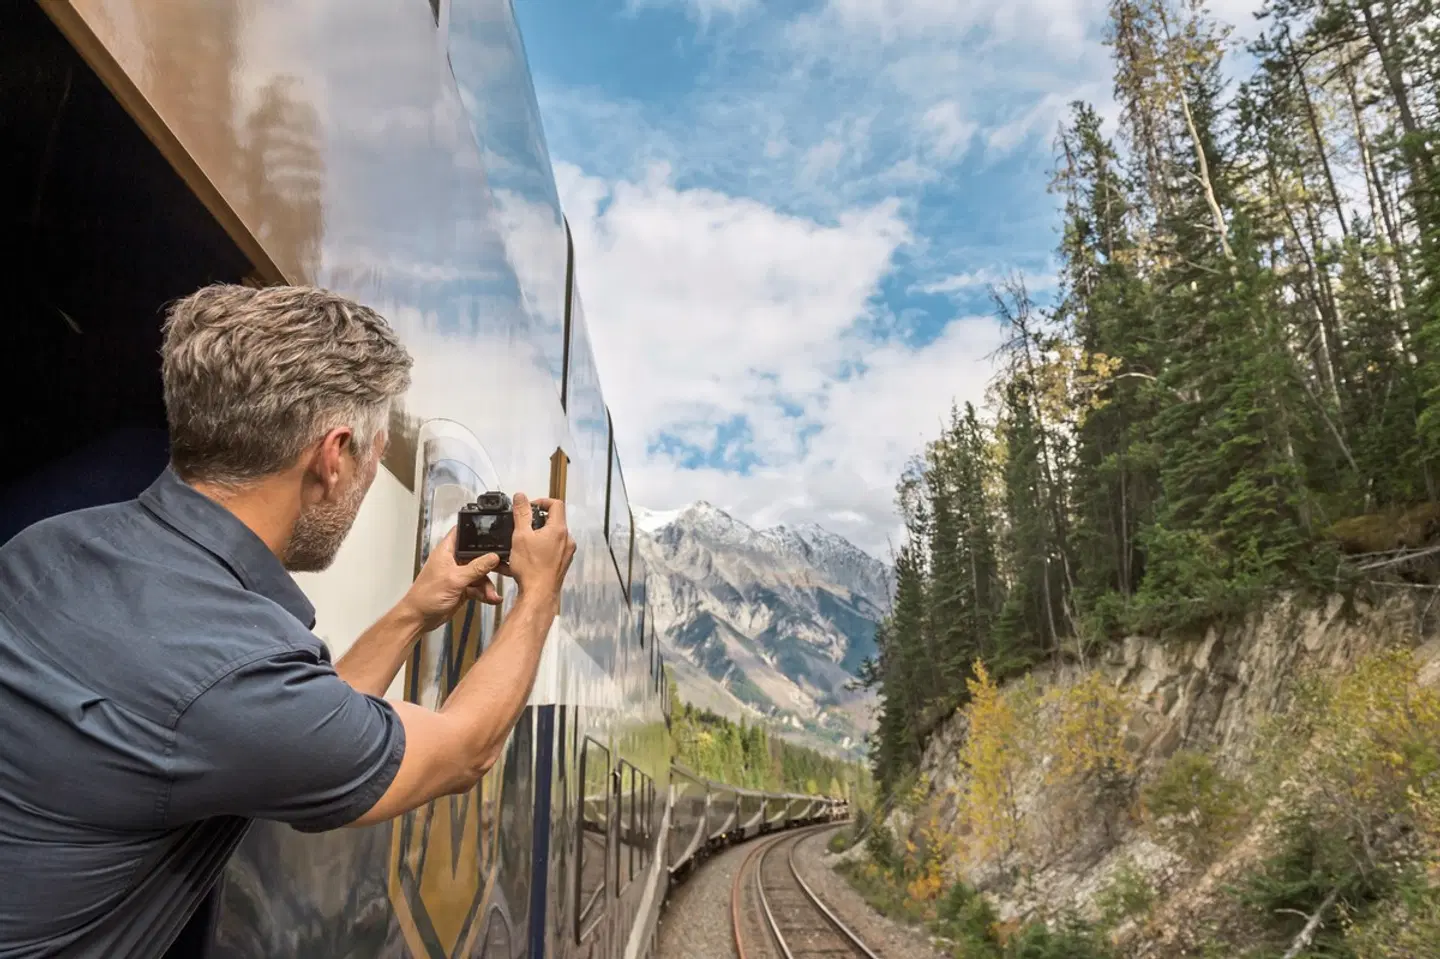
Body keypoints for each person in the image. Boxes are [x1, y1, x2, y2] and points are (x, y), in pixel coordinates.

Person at [0, 284, 576, 958]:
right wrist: (538, 594)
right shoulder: (234, 673)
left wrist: (416, 609)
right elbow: (463, 749)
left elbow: (300, 720)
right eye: (371, 453)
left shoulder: (45, 546)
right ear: (333, 458)